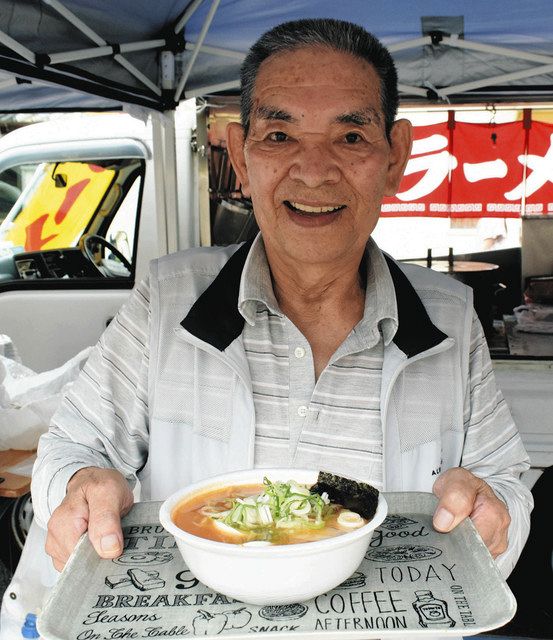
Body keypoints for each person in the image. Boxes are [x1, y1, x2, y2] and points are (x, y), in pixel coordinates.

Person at [31, 18, 532, 579]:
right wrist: (80, 487)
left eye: (350, 136)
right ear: (242, 161)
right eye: (279, 136)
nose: (314, 172)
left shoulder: (448, 318)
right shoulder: (169, 301)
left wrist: (494, 515)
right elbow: (70, 449)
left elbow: (507, 489)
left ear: (394, 158)